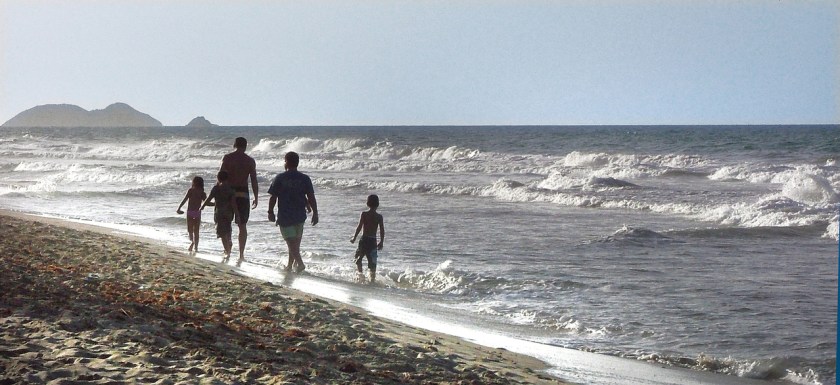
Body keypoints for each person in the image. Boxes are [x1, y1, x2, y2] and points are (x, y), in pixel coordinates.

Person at [267, 151, 318, 273]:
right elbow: (310, 196)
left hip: (285, 215)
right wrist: (315, 212)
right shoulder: (304, 178)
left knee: (291, 243)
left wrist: (270, 211)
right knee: (294, 244)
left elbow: (273, 197)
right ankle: (289, 266)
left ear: (287, 162)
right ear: (297, 163)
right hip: (300, 215)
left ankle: (300, 264)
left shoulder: (280, 178)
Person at [219, 137, 258, 266]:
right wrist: (256, 196)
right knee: (242, 225)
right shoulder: (250, 161)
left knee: (225, 221)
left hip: (228, 192)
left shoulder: (228, 158)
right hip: (243, 193)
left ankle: (228, 248)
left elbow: (221, 177)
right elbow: (253, 180)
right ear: (246, 146)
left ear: (234, 144)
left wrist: (218, 191)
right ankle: (241, 254)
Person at [201, 171, 238, 263]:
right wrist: (237, 214)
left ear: (218, 178)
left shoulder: (216, 188)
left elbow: (208, 198)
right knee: (228, 229)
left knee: (221, 233)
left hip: (219, 212)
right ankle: (229, 241)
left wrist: (202, 206)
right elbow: (233, 202)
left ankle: (227, 251)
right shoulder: (230, 189)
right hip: (229, 212)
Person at [350, 194, 385, 282]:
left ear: (367, 203)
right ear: (378, 204)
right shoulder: (379, 217)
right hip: (373, 241)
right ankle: (372, 280)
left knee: (358, 258)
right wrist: (381, 242)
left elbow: (359, 227)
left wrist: (354, 237)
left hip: (364, 240)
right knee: (372, 262)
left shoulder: (364, 214)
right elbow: (382, 230)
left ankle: (360, 275)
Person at [176, 176, 207, 253]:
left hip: (190, 212)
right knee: (196, 231)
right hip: (197, 212)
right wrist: (216, 204)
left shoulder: (191, 190)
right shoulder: (202, 192)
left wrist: (179, 208)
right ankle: (196, 247)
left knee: (190, 230)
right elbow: (206, 202)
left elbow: (185, 200)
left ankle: (192, 242)